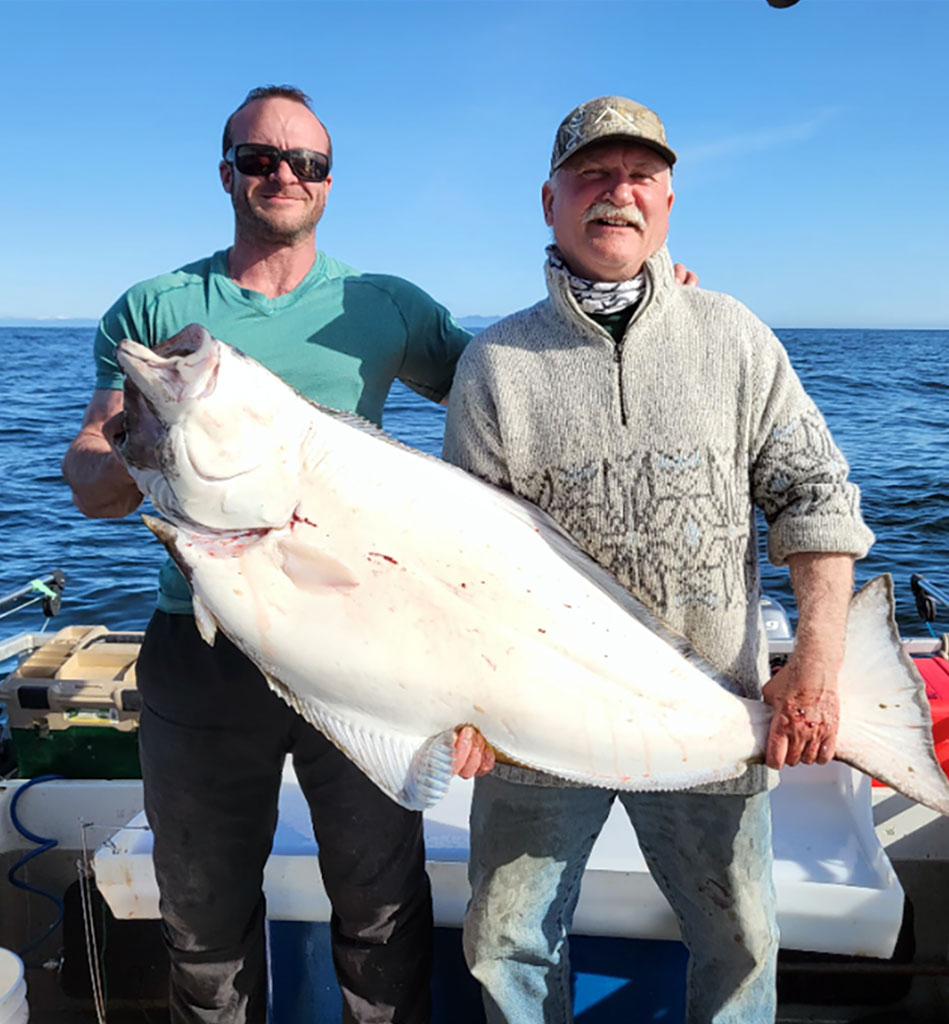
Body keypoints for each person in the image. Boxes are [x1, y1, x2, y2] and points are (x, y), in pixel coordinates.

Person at [61, 84, 496, 1024]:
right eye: (261, 159)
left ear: (329, 183)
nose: (283, 175)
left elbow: (512, 398)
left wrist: (647, 308)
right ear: (227, 174)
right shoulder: (157, 308)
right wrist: (157, 447)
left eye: (305, 162)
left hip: (358, 651)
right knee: (202, 916)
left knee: (380, 907)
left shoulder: (386, 307)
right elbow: (92, 487)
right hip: (202, 646)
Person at [441, 96, 874, 1024]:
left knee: (741, 939)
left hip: (708, 711)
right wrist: (464, 698)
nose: (618, 195)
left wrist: (815, 664)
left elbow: (817, 496)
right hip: (535, 726)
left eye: (640, 176)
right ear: (549, 200)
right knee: (504, 944)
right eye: (593, 176)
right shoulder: (493, 364)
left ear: (669, 203)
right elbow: (463, 567)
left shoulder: (733, 335)